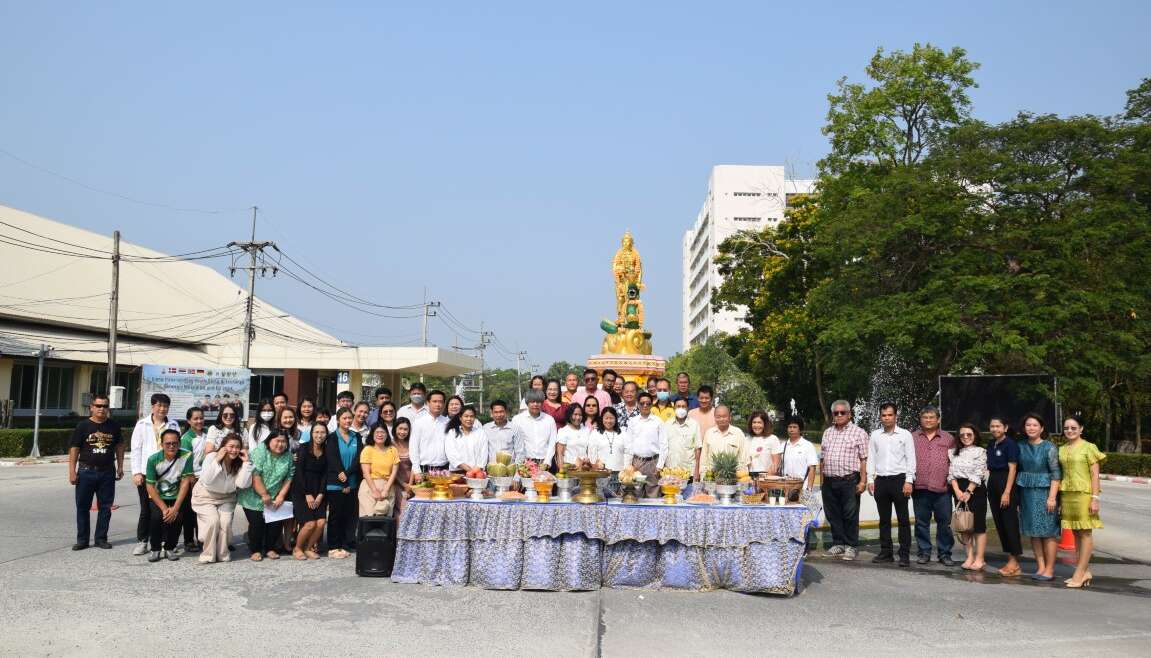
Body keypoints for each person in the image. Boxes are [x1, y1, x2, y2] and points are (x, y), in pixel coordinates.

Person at [68, 394, 123, 551]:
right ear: (91, 407)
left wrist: (120, 466)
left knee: (105, 507)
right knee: (82, 507)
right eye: (98, 406)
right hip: (86, 472)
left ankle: (101, 538)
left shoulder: (114, 426)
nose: (101, 409)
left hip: (107, 472)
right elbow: (74, 449)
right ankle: (82, 540)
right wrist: (72, 471)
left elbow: (119, 446)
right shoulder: (83, 426)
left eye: (105, 406)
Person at [129, 393, 180, 557]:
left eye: (165, 406)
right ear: (153, 406)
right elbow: (136, 449)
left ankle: (165, 543)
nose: (162, 409)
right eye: (159, 405)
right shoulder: (142, 424)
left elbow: (177, 448)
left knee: (165, 508)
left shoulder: (173, 424)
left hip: (168, 474)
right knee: (146, 510)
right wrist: (136, 472)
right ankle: (143, 541)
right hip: (146, 473)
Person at [867, 403, 916, 567]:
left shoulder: (905, 435)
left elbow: (911, 459)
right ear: (880, 416)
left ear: (896, 416)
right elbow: (871, 458)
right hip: (881, 480)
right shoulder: (875, 435)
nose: (886, 418)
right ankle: (886, 552)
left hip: (899, 480)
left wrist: (909, 480)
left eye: (889, 415)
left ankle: (904, 554)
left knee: (903, 519)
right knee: (884, 519)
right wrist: (869, 479)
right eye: (884, 415)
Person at [191, 433, 252, 564]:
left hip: (227, 498)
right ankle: (208, 554)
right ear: (223, 446)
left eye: (237, 447)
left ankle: (223, 553)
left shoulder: (240, 462)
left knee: (225, 522)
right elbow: (206, 479)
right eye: (231, 446)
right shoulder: (211, 457)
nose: (234, 450)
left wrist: (246, 463)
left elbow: (242, 484)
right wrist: (217, 459)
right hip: (205, 496)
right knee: (213, 521)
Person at [1058, 415, 1104, 588]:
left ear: (1081, 429)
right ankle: (1083, 570)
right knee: (1076, 532)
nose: (1069, 431)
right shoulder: (1061, 449)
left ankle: (1080, 572)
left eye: (1073, 428)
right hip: (1068, 495)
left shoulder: (1089, 447)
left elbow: (1095, 475)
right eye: (1066, 428)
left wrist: (1095, 498)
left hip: (1084, 494)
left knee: (1085, 532)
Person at [820, 400, 868, 561]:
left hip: (849, 481)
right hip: (829, 480)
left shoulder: (859, 433)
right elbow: (823, 458)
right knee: (833, 514)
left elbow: (864, 459)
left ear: (849, 414)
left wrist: (862, 481)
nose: (839, 415)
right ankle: (838, 544)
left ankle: (851, 546)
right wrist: (822, 480)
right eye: (836, 413)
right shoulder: (828, 432)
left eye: (843, 412)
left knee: (850, 514)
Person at [237, 432, 294, 562]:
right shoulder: (260, 452)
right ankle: (255, 550)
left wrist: (281, 495)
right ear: (269, 441)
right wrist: (264, 494)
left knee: (275, 523)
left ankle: (270, 548)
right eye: (277, 441)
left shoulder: (288, 456)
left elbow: (289, 477)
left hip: (275, 496)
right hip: (252, 495)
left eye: (283, 441)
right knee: (257, 524)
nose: (280, 444)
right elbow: (255, 474)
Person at [1017, 412, 1062, 581]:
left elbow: (1056, 474)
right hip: (1026, 494)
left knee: (1048, 532)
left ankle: (1050, 569)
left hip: (1045, 494)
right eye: (1028, 425)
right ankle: (1040, 567)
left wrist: (1052, 498)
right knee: (1033, 532)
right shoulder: (1020, 446)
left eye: (1035, 425)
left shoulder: (1049, 447)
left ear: (1041, 428)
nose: (1031, 428)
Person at [912, 405, 957, 566]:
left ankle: (944, 553)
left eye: (932, 417)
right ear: (921, 419)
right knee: (921, 522)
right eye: (925, 417)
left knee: (944, 523)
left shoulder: (948, 439)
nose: (928, 420)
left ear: (938, 420)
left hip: (943, 487)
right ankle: (924, 552)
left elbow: (954, 462)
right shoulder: (913, 437)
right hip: (920, 487)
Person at [144, 429, 195, 562]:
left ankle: (169, 548)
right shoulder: (153, 459)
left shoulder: (187, 456)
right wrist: (164, 509)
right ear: (162, 444)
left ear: (179, 443)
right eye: (168, 444)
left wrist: (175, 508)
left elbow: (185, 483)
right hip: (158, 496)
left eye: (174, 443)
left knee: (177, 520)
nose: (171, 446)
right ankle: (155, 549)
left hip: (177, 496)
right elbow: (149, 485)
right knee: (156, 519)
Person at [986, 416, 1024, 576]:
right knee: (999, 522)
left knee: (1009, 523)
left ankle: (1014, 561)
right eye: (992, 426)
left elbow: (1013, 469)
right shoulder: (991, 444)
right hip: (993, 482)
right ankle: (1010, 558)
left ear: (1005, 428)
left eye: (998, 426)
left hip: (1006, 482)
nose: (995, 429)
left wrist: (1007, 492)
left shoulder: (1010, 444)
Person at [949, 422, 988, 571]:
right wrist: (957, 491)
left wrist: (968, 491)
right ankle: (969, 556)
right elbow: (951, 473)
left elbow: (979, 472)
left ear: (975, 435)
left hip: (975, 490)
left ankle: (980, 558)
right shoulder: (953, 452)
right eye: (962, 435)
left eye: (969, 434)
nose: (966, 437)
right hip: (958, 489)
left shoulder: (981, 451)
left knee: (978, 526)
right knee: (964, 525)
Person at [325, 408, 362, 559]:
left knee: (350, 514)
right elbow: (332, 457)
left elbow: (358, 458)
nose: (347, 421)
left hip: (352, 481)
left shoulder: (356, 436)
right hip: (335, 482)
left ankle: (347, 542)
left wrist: (347, 475)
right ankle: (334, 545)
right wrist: (342, 476)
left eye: (349, 418)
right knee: (335, 515)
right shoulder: (332, 437)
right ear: (338, 420)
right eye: (344, 418)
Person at [292, 423, 328, 560]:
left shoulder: (327, 450)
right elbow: (299, 472)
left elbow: (326, 474)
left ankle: (308, 548)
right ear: (311, 433)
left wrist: (320, 495)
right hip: (302, 490)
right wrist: (307, 493)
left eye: (323, 432)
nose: (319, 435)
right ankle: (297, 548)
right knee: (309, 523)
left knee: (320, 522)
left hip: (319, 490)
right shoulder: (303, 448)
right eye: (316, 432)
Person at [178, 406, 209, 554]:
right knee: (190, 512)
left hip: (207, 478)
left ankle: (203, 539)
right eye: (195, 418)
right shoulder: (186, 438)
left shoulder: (208, 434)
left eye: (201, 418)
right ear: (189, 421)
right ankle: (189, 541)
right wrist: (190, 479)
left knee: (203, 512)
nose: (199, 421)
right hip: (193, 479)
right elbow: (185, 461)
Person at [624, 392, 668, 497]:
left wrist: (660, 466)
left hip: (653, 463)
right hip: (636, 462)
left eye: (648, 403)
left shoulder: (658, 421)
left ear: (651, 405)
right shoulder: (632, 421)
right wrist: (627, 466)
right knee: (635, 494)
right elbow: (628, 445)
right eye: (642, 403)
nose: (645, 406)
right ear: (638, 404)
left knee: (654, 496)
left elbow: (664, 444)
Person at [359, 424, 399, 517]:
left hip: (388, 487)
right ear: (372, 434)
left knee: (385, 522)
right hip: (369, 487)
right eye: (377, 432)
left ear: (387, 434)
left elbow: (394, 472)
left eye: (382, 432)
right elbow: (366, 473)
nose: (380, 435)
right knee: (369, 519)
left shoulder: (393, 450)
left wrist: (386, 489)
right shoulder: (367, 450)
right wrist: (374, 490)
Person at [512, 389, 559, 469]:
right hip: (524, 463)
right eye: (532, 402)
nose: (535, 404)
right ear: (527, 403)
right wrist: (520, 463)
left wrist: (547, 461)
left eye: (538, 402)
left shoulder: (549, 420)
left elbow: (552, 442)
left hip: (544, 462)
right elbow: (516, 443)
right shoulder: (517, 419)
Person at [700, 404, 748, 476]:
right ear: (715, 418)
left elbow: (743, 458)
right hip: (712, 476)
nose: (721, 419)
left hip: (733, 477)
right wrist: (703, 476)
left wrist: (742, 477)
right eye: (718, 417)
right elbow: (704, 458)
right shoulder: (709, 433)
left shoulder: (738, 433)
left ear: (729, 417)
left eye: (724, 416)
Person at [410, 390, 449, 473]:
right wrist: (417, 471)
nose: (438, 405)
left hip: (444, 469)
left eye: (440, 402)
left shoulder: (447, 422)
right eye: (434, 401)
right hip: (424, 469)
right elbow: (414, 447)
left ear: (444, 404)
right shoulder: (419, 422)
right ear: (427, 403)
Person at [664, 397, 702, 481]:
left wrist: (696, 470)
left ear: (688, 408)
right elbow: (663, 448)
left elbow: (697, 448)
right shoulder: (667, 424)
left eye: (683, 406)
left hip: (688, 472)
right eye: (678, 406)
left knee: (689, 494)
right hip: (670, 472)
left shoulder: (694, 425)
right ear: (674, 408)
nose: (681, 409)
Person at [445, 405, 489, 472]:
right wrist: (468, 469)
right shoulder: (452, 433)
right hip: (457, 472)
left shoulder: (481, 433)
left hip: (477, 472)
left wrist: (477, 469)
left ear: (475, 418)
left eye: (471, 416)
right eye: (466, 416)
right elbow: (451, 453)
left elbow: (484, 453)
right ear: (460, 418)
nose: (469, 419)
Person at [780, 417, 819, 491]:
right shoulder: (783, 446)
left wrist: (809, 488)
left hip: (803, 488)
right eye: (789, 427)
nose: (791, 430)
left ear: (800, 429)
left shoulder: (808, 445)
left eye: (794, 427)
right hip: (785, 488)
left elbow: (812, 469)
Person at [589, 406, 626, 474]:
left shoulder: (623, 433)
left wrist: (626, 469)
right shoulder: (595, 433)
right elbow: (592, 453)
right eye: (606, 418)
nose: (608, 421)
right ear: (602, 418)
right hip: (601, 473)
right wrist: (595, 465)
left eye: (611, 418)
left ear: (616, 419)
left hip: (620, 472)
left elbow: (627, 452)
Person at [745, 411, 782, 477]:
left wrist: (765, 479)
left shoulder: (772, 439)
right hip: (749, 478)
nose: (756, 425)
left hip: (767, 478)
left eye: (759, 422)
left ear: (765, 424)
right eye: (754, 422)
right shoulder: (747, 439)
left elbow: (775, 464)